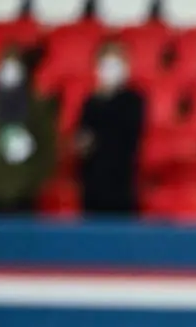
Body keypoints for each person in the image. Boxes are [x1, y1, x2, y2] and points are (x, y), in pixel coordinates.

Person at [75, 41, 145, 215]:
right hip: (92, 181)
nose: (110, 70)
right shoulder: (90, 102)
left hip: (121, 180)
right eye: (105, 64)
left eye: (115, 64)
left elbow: (128, 136)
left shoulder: (133, 100)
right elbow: (83, 135)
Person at [0, 45, 56, 213]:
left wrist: (35, 183)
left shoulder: (36, 107)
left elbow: (48, 148)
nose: (10, 70)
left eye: (15, 65)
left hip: (25, 192)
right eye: (6, 64)